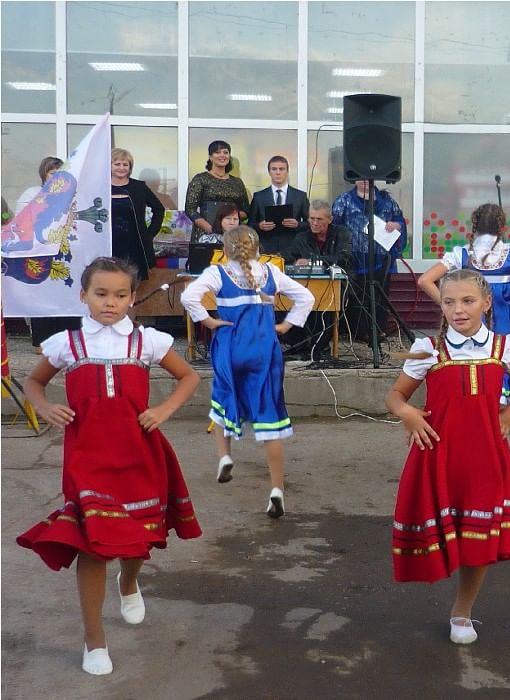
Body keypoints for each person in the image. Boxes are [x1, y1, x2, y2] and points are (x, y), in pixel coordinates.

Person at [16, 256, 201, 675]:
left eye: (120, 295)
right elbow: (33, 382)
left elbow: (189, 377)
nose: (110, 303)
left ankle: (130, 580)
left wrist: (164, 410)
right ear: (83, 295)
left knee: (139, 536)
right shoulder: (67, 343)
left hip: (140, 455)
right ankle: (94, 639)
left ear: (133, 298)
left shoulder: (147, 341)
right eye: (101, 294)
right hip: (87, 460)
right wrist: (45, 407)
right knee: (94, 545)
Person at [386, 268, 510, 645]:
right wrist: (409, 414)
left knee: (478, 537)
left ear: (486, 303)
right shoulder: (429, 350)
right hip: (437, 456)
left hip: (485, 457)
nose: (458, 309)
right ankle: (448, 583)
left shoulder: (504, 346)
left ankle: (462, 610)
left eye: (467, 301)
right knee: (445, 531)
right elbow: (395, 396)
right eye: (449, 302)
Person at [180, 225, 314, 518]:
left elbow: (189, 297)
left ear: (225, 249)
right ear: (257, 247)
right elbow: (306, 298)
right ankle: (276, 489)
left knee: (223, 398)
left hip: (231, 346)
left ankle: (225, 455)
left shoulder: (217, 273)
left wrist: (208, 320)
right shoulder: (271, 273)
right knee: (270, 417)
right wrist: (286, 325)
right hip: (265, 349)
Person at [418, 202, 510, 404]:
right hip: (504, 323)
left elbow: (424, 280)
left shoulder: (462, 254)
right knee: (502, 359)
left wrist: (449, 304)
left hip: (469, 322)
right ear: (502, 228)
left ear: (474, 226)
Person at [16, 156, 81, 353]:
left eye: (59, 172)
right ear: (44, 173)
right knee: (42, 296)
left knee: (67, 293)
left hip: (67, 252)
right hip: (39, 252)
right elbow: (22, 221)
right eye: (52, 172)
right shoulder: (32, 193)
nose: (56, 176)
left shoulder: (73, 195)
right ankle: (42, 340)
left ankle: (68, 340)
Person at [332, 179, 407, 343]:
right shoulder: (343, 200)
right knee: (358, 295)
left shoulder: (387, 201)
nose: (364, 181)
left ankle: (378, 330)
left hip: (380, 257)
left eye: (367, 177)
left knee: (380, 295)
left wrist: (396, 225)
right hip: (355, 258)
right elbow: (334, 228)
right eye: (360, 177)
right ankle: (359, 331)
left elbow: (400, 221)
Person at [283, 201, 352, 359]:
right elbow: (288, 254)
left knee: (324, 304)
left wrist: (313, 260)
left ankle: (321, 346)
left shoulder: (342, 233)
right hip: (307, 285)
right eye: (311, 218)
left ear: (330, 219)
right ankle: (302, 346)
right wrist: (293, 262)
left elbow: (344, 258)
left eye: (319, 219)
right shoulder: (302, 236)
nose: (314, 223)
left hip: (337, 284)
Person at [110, 148, 165, 280]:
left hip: (135, 245)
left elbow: (159, 209)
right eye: (117, 164)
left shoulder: (139, 187)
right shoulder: (100, 186)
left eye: (125, 164)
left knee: (135, 283)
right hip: (108, 244)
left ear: (130, 167)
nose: (121, 168)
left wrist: (149, 233)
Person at [184, 140, 249, 241]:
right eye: (217, 152)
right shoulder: (200, 179)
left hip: (232, 235)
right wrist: (210, 228)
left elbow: (246, 210)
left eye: (225, 152)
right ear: (210, 157)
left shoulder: (237, 182)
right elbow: (190, 209)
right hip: (205, 234)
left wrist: (231, 219)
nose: (222, 155)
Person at [248, 155, 310, 256]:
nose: (278, 172)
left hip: (293, 247)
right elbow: (250, 225)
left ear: (287, 171)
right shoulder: (259, 196)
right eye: (274, 169)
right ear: (269, 172)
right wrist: (260, 226)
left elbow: (311, 224)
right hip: (266, 247)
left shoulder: (300, 196)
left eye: (281, 169)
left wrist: (297, 224)